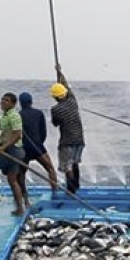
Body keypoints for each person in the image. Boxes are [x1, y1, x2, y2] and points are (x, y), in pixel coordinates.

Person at [50, 64, 85, 194]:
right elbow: (67, 85)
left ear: (55, 97)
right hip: (80, 140)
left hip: (67, 141)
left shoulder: (55, 109)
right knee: (75, 163)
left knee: (67, 167)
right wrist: (60, 72)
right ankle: (76, 186)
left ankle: (71, 189)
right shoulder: (72, 100)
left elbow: (55, 124)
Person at [16, 91, 57, 202]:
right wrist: (39, 143)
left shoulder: (18, 115)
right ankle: (55, 193)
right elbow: (43, 132)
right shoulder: (39, 113)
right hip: (38, 147)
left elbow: (16, 134)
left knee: (21, 173)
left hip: (24, 148)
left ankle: (25, 198)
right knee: (50, 169)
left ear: (20, 103)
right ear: (31, 102)